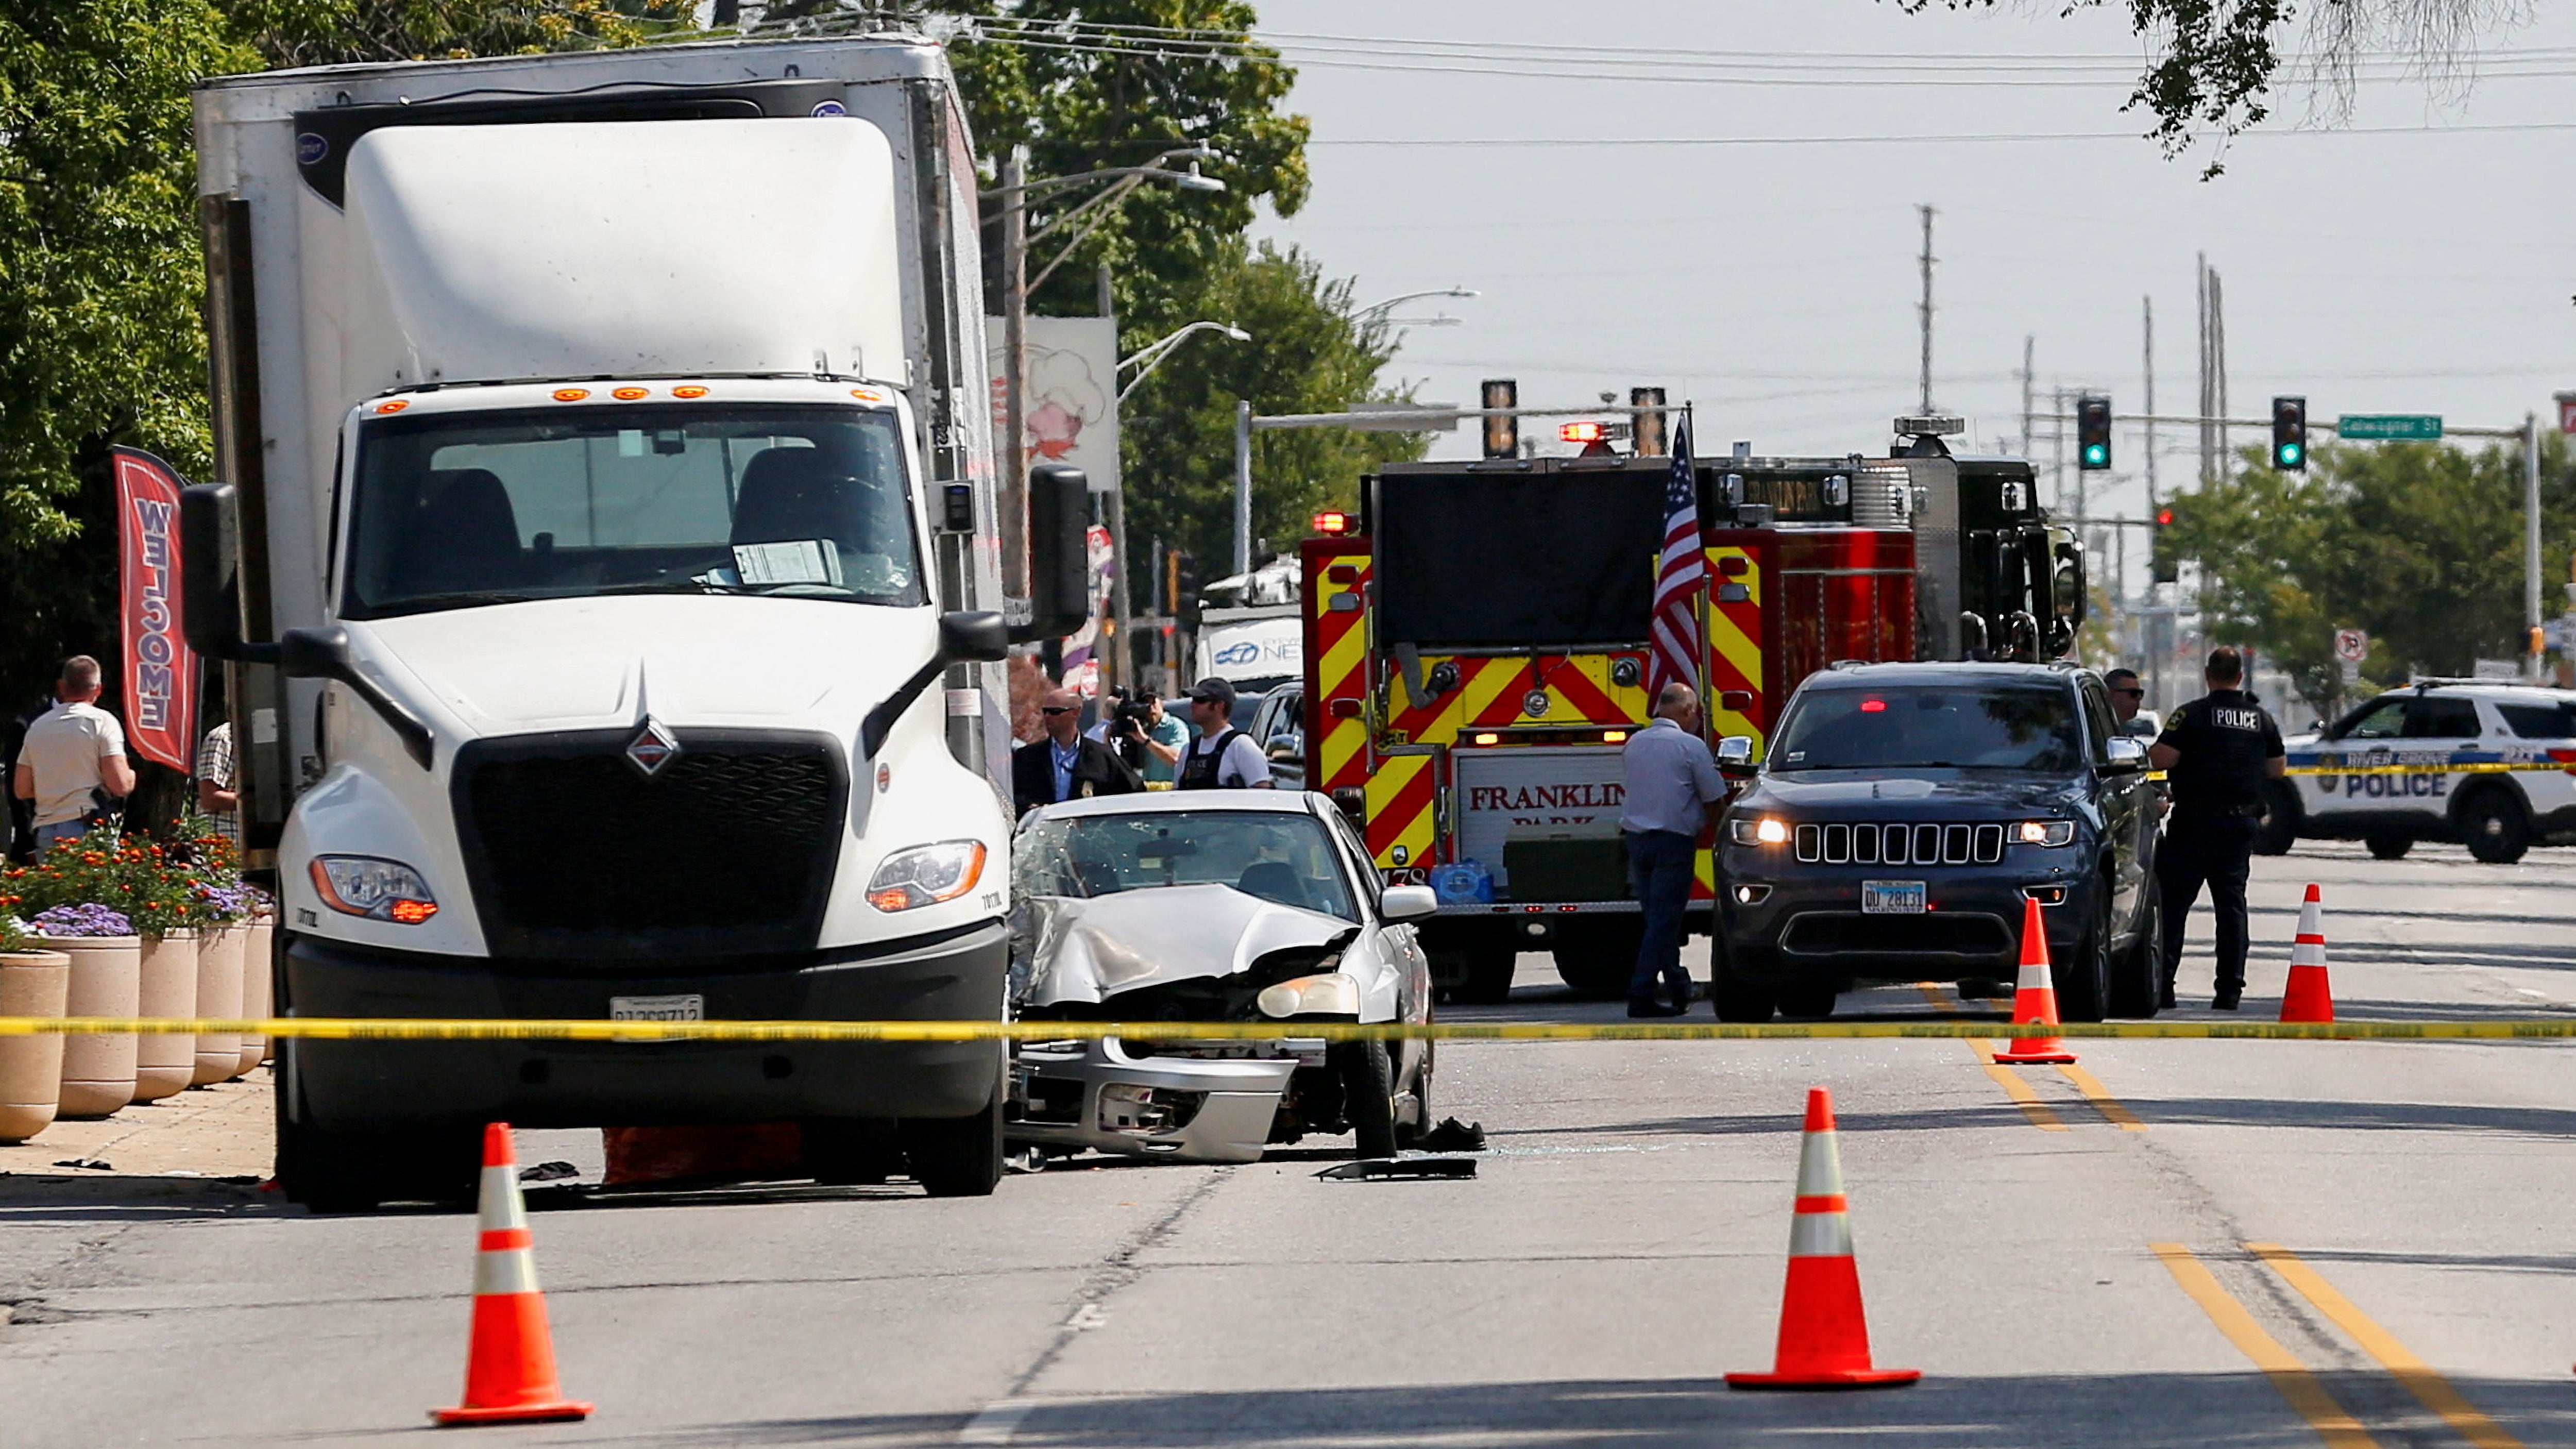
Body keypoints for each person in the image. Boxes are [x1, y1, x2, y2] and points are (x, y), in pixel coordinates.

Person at [2149, 646, 2285, 1011]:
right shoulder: (2261, 718)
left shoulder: (2191, 715)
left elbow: (2162, 758)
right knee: (2231, 908)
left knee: (2174, 906)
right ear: (2240, 677)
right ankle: (2229, 991)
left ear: (2208, 676)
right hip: (2239, 824)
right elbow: (2277, 769)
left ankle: (2163, 986)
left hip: (2194, 823)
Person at [1619, 682, 1724, 1018]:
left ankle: (1678, 985)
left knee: (1657, 921)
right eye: (1697, 713)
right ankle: (1641, 994)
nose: (1698, 720)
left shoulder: (1635, 743)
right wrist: (1724, 839)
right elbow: (1713, 798)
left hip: (1637, 842)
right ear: (1687, 711)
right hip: (1672, 843)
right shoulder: (1690, 746)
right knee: (1664, 922)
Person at [11, 656, 137, 857]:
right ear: (98, 690)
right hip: (86, 827)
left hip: (46, 830)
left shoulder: (37, 726)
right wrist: (131, 776)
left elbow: (21, 789)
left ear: (62, 686)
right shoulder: (103, 722)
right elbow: (120, 784)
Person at [1011, 687, 1141, 817]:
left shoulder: (1102, 756)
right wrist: (1031, 807)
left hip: (1089, 828)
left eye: (1055, 712)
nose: (1047, 717)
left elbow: (1134, 792)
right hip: (1043, 828)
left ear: (1076, 713)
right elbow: (1015, 797)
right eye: (1045, 711)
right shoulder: (1027, 757)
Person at [1177, 678, 1273, 790]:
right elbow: (1176, 793)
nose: (1193, 705)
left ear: (1219, 706)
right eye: (1193, 700)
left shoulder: (1241, 746)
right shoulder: (1188, 750)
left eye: (1200, 700)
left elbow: (1262, 791)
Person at [1092, 689, 1187, 786]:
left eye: (1153, 702)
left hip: (1169, 791)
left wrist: (1145, 740)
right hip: (1142, 790)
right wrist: (1108, 740)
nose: (1151, 708)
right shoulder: (1135, 727)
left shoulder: (1175, 726)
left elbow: (1176, 758)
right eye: (1146, 704)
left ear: (1161, 703)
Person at [196, 720, 240, 846]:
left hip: (248, 841)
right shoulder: (222, 738)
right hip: (221, 843)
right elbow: (209, 798)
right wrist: (259, 802)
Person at [2105, 668, 2156, 737]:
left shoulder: (2117, 729)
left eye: (2141, 693)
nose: (2139, 698)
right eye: (2134, 693)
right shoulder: (2097, 726)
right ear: (2111, 694)